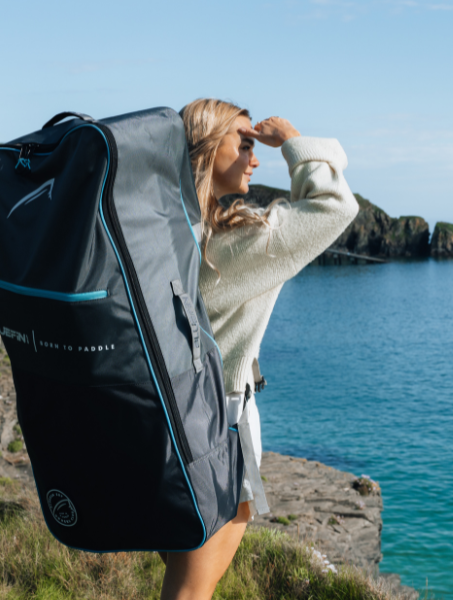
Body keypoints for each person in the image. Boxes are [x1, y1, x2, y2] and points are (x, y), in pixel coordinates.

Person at [158, 99, 358, 599]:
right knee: (190, 590)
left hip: (176, 415)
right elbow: (335, 205)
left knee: (192, 581)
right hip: (217, 419)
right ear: (206, 150)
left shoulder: (169, 235)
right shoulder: (234, 246)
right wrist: (291, 138)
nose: (255, 157)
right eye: (244, 144)